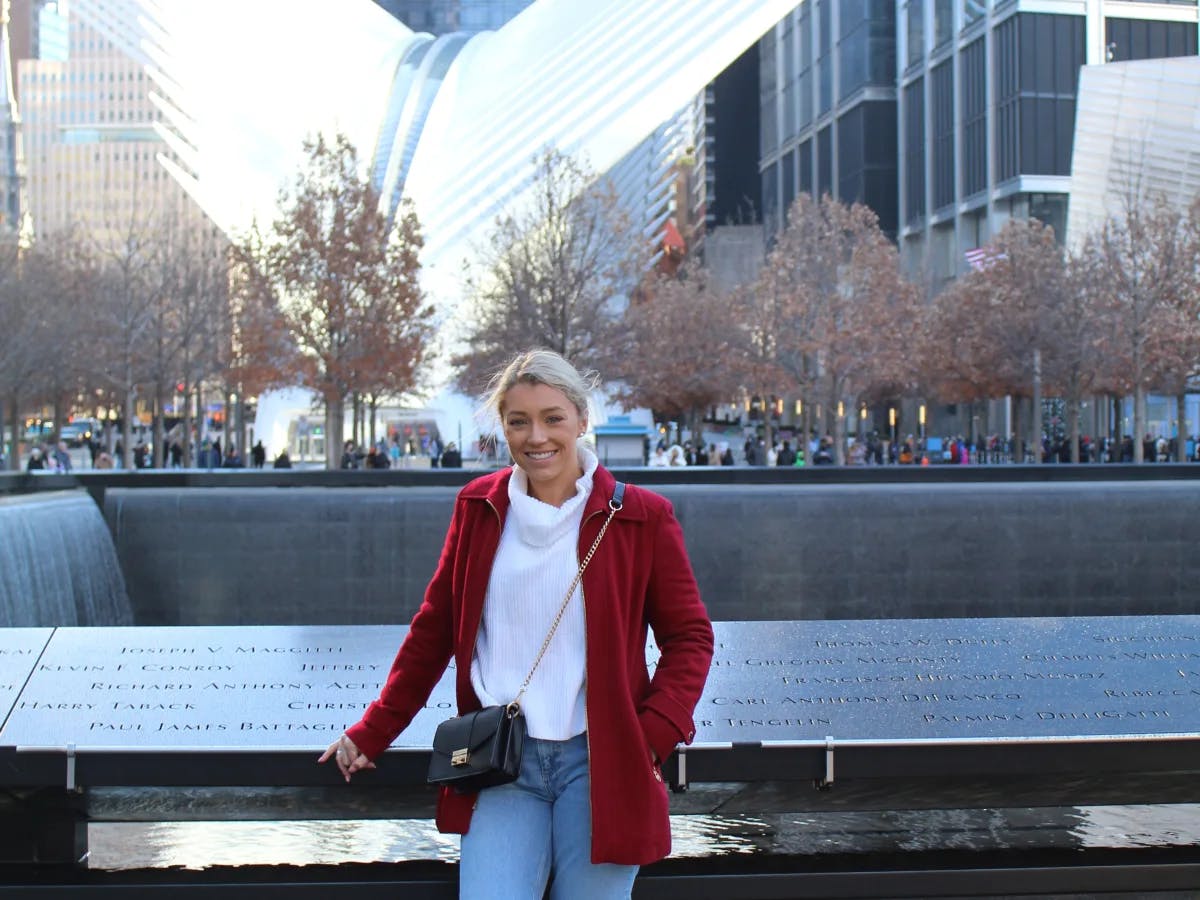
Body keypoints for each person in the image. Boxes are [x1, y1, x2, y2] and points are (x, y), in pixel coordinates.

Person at [320, 349, 713, 898]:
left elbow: (689, 638)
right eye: (519, 421)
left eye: (553, 417)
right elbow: (434, 631)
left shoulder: (641, 517)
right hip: (501, 763)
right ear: (502, 426)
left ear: (581, 418)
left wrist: (652, 735)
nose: (537, 436)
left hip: (602, 762)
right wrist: (374, 730)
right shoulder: (477, 507)